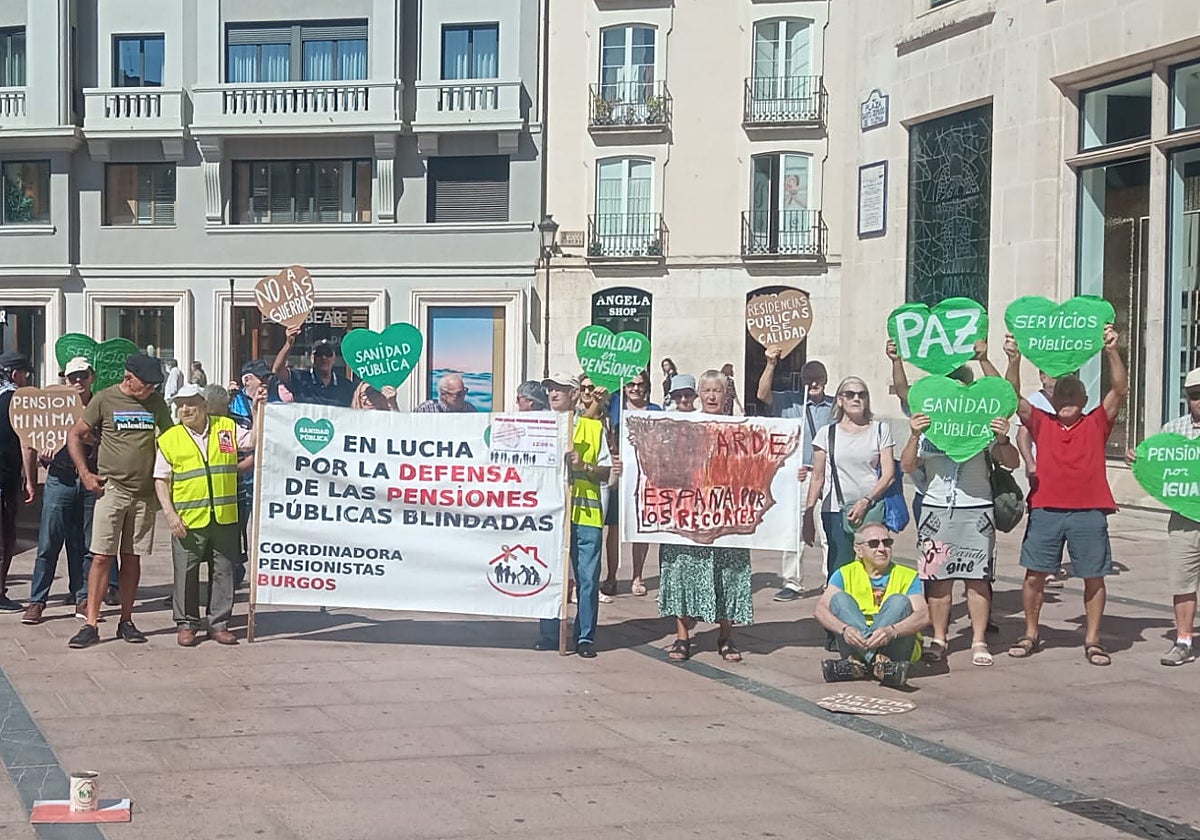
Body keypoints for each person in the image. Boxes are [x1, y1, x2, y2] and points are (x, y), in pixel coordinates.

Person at [1003, 326, 1127, 665]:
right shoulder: (1043, 423)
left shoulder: (1096, 423)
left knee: (1094, 575)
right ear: (1053, 399)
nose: (1068, 399)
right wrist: (1014, 359)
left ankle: (1092, 640)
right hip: (1046, 509)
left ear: (1084, 401)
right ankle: (1030, 633)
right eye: (1063, 394)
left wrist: (1112, 351)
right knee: (1034, 574)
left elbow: (1119, 389)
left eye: (1075, 394)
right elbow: (1011, 398)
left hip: (1089, 511)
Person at [899, 347, 1019, 667]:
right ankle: (939, 638)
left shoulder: (983, 426)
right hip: (937, 509)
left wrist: (1004, 440)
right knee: (938, 580)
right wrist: (913, 436)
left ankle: (978, 640)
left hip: (976, 508)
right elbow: (907, 466)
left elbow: (1011, 462)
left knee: (978, 579)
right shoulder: (930, 428)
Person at [66, 352, 173, 649]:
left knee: (132, 557)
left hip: (144, 495)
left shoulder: (155, 402)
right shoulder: (105, 399)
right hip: (111, 490)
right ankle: (91, 622)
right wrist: (85, 473)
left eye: (154, 386)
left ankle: (127, 619)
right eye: (146, 385)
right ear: (129, 379)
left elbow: (171, 437)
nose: (151, 390)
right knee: (101, 555)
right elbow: (75, 435)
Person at [661, 370, 753, 663]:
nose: (712, 396)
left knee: (729, 573)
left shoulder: (742, 429)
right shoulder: (683, 425)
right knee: (682, 570)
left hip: (727, 513)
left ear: (727, 396)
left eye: (718, 391)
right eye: (707, 390)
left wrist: (793, 471)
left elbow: (757, 465)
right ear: (700, 394)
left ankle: (726, 637)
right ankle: (682, 637)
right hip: (689, 513)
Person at [155, 384, 257, 646]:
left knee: (224, 571)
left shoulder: (226, 427)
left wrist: (257, 408)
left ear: (204, 404)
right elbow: (161, 479)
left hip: (223, 516)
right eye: (181, 405)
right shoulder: (170, 438)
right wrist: (170, 514)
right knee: (186, 573)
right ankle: (187, 624)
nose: (185, 409)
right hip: (188, 519)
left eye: (190, 403)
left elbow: (254, 440)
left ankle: (218, 623)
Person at [535, 372, 619, 658]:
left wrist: (583, 464)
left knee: (586, 578)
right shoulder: (539, 426)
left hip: (585, 513)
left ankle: (585, 637)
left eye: (559, 389)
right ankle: (550, 633)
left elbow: (607, 472)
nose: (553, 394)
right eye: (550, 389)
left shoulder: (592, 429)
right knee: (551, 575)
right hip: (551, 514)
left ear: (573, 395)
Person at [1128, 367, 1200, 666]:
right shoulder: (1173, 430)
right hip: (1185, 518)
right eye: (1195, 396)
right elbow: (1157, 465)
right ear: (1186, 398)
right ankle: (1183, 640)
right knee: (1182, 582)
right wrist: (1138, 459)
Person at [22, 359, 100, 624]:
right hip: (60, 477)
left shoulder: (100, 406)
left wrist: (92, 440)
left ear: (92, 376)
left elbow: (111, 444)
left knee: (85, 544)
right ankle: (37, 600)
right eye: (72, 377)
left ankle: (82, 596)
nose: (77, 381)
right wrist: (32, 478)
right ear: (65, 379)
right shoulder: (52, 404)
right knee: (48, 542)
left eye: (82, 376)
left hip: (90, 480)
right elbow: (30, 441)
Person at [803, 376, 896, 588]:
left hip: (870, 508)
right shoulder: (827, 433)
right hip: (836, 509)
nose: (856, 398)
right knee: (839, 567)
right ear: (839, 400)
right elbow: (817, 478)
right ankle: (837, 613)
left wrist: (866, 500)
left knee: (874, 564)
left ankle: (872, 612)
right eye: (850, 394)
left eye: (862, 394)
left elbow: (888, 474)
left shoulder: (880, 430)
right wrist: (808, 515)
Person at [758, 350, 834, 601]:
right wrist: (771, 364)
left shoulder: (835, 407)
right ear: (801, 381)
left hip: (828, 477)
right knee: (795, 533)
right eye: (809, 378)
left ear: (826, 380)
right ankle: (793, 581)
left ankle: (832, 580)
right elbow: (762, 394)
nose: (813, 383)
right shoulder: (789, 402)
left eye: (818, 378)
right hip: (799, 477)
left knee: (828, 532)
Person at [813, 523, 928, 687]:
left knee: (899, 601)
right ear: (859, 550)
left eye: (887, 543)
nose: (882, 548)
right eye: (874, 544)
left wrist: (891, 631)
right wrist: (844, 629)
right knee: (839, 599)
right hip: (855, 642)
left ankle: (858, 665)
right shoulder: (845, 573)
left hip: (895, 645)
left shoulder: (908, 575)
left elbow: (923, 615)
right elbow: (820, 610)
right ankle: (880, 666)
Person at [600, 371, 660, 598]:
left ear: (647, 386)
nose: (635, 388)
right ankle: (611, 576)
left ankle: (638, 576)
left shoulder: (655, 411)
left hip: (644, 474)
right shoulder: (616, 405)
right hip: (618, 473)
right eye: (630, 385)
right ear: (623, 388)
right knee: (613, 528)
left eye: (640, 384)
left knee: (640, 529)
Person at [1014, 368, 1070, 587]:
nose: (1057, 380)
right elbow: (1022, 436)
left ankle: (1052, 565)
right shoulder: (1035, 401)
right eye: (1053, 374)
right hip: (1042, 471)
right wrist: (1030, 463)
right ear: (1043, 377)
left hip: (1065, 470)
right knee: (1042, 516)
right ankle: (1039, 565)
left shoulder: (1068, 401)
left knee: (1064, 515)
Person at [0, 352, 36, 610]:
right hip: (4, 477)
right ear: (15, 374)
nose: (26, 378)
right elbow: (25, 444)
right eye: (25, 373)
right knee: (6, 537)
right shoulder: (15, 401)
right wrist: (30, 480)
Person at [271, 326, 355, 407]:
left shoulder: (346, 386)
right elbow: (277, 370)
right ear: (311, 358)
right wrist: (288, 344)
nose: (324, 357)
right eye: (319, 354)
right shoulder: (299, 379)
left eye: (328, 354)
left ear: (334, 359)